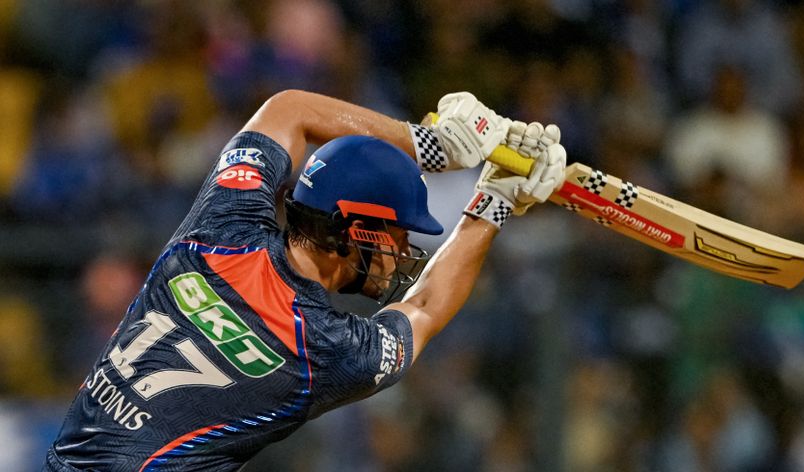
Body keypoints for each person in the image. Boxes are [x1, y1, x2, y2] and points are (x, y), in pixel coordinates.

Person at [44, 89, 566, 471]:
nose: (405, 250)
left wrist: (431, 146)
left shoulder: (220, 228)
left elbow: (288, 109)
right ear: (358, 231)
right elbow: (425, 307)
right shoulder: (327, 350)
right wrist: (493, 203)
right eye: (399, 234)